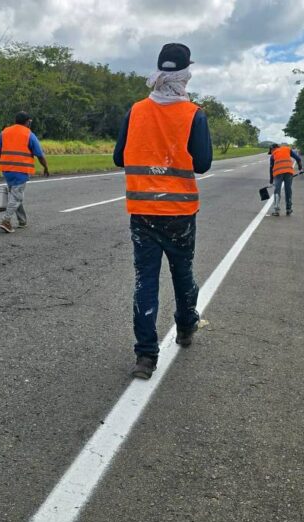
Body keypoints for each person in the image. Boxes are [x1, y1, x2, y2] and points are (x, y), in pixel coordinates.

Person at [113, 43, 213, 379]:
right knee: (182, 273)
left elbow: (118, 157)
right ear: (185, 74)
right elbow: (203, 163)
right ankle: (185, 327)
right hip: (180, 213)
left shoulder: (136, 111)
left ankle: (145, 357)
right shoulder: (194, 114)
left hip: (142, 211)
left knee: (146, 280)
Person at [0, 111, 50, 233]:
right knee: (17, 197)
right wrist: (45, 167)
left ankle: (22, 221)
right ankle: (6, 220)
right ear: (27, 122)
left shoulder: (5, 132)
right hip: (21, 170)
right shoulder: (29, 134)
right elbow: (40, 155)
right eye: (29, 122)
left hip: (7, 170)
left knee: (16, 195)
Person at [269, 143, 302, 216]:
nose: (271, 152)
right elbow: (298, 159)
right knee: (288, 190)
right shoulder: (287, 149)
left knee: (277, 190)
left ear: (272, 149)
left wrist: (271, 181)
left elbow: (271, 168)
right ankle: (289, 209)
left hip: (278, 173)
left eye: (271, 151)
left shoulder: (273, 154)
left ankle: (276, 210)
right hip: (289, 172)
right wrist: (300, 169)